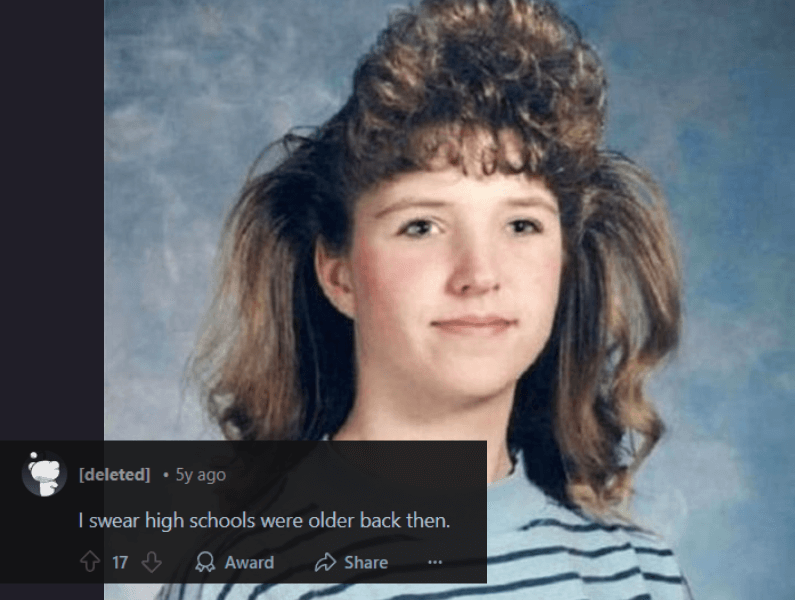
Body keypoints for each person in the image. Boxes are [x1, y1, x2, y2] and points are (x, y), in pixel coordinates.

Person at [162, 0, 691, 597]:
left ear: (564, 263)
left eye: (521, 225)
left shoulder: (635, 572)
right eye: (422, 226)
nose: (478, 274)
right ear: (339, 276)